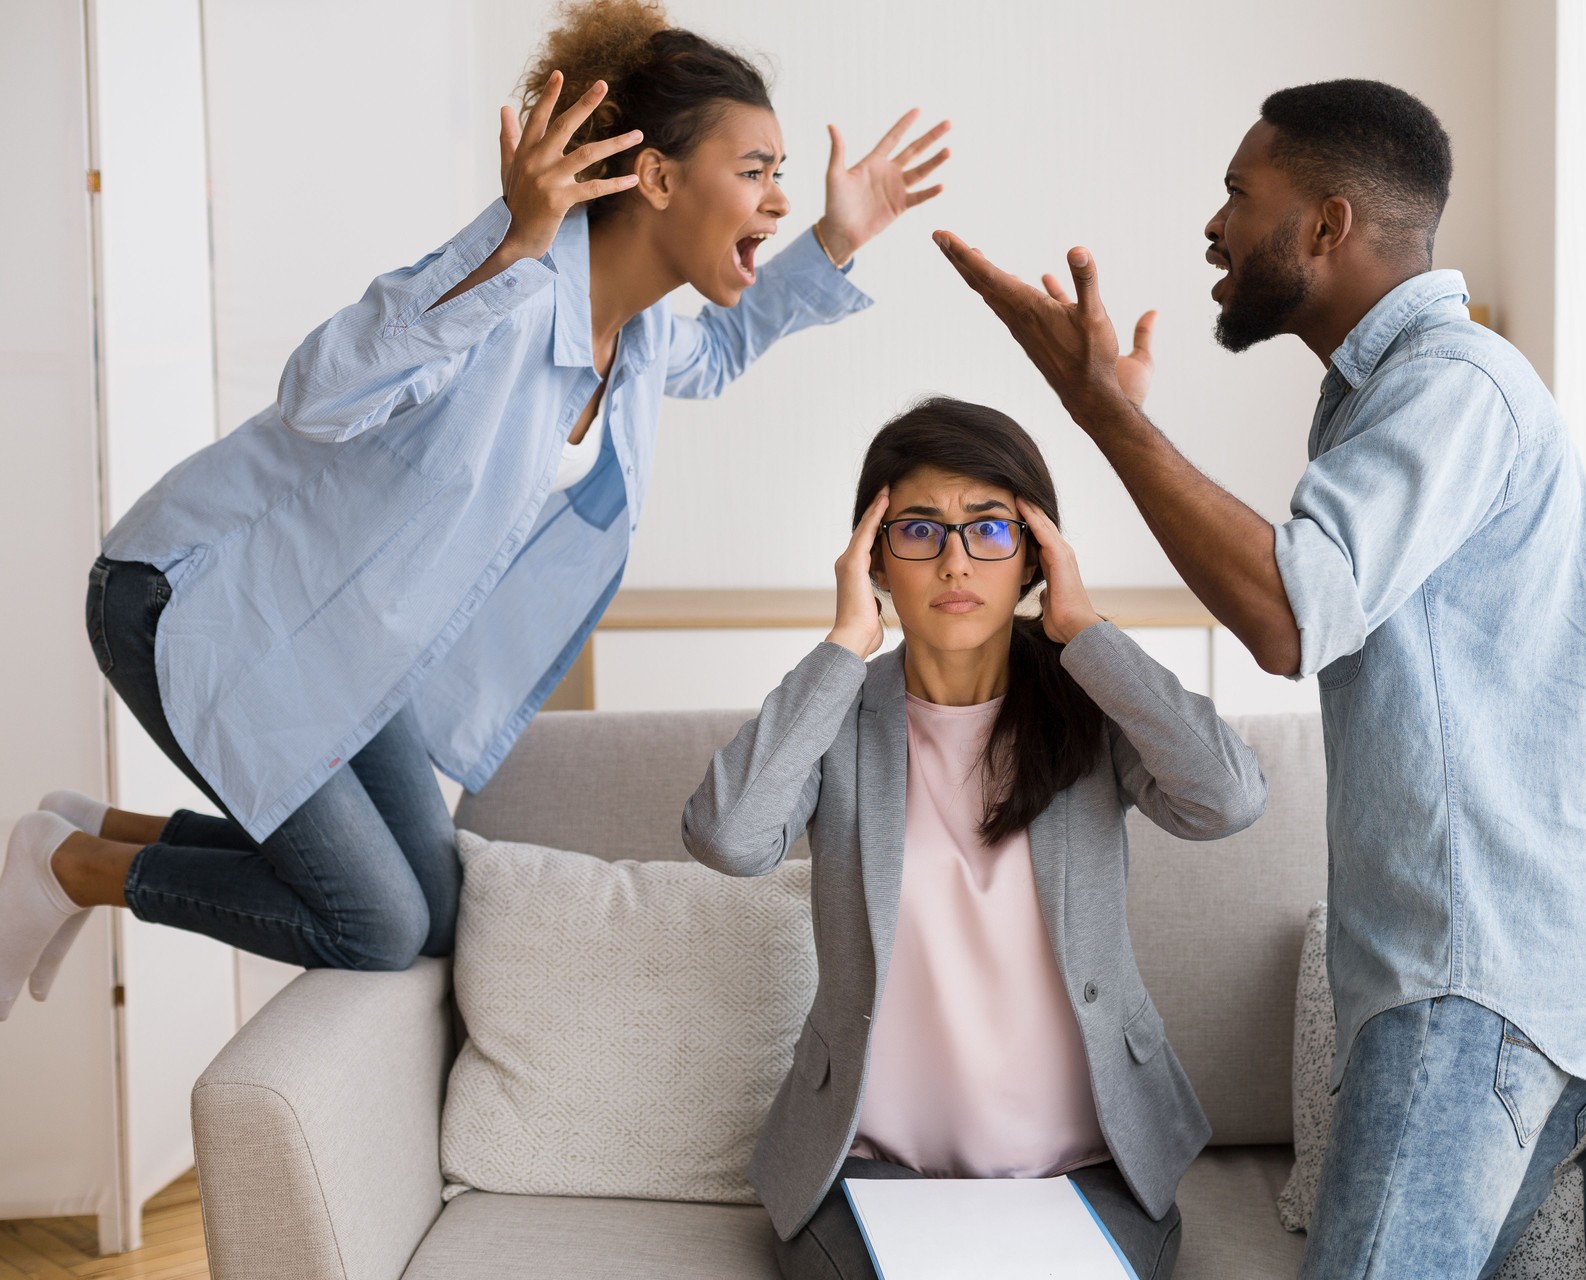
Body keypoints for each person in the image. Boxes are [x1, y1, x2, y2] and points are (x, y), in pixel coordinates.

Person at [0, 0, 951, 1018]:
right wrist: (505, 243)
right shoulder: (518, 285)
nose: (776, 200)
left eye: (782, 177)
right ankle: (69, 867)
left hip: (343, 647)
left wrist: (835, 241)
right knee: (373, 922)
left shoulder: (633, 336)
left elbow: (719, 353)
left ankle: (88, 827)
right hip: (198, 599)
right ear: (662, 178)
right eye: (756, 170)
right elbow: (320, 392)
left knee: (443, 912)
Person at [934, 79, 1586, 1279]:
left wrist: (1102, 414)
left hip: (1476, 989)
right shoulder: (1392, 394)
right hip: (1497, 984)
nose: (1213, 228)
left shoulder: (1453, 385)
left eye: (1237, 194)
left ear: (1325, 225)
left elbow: (1286, 611)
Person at [681, 397, 1268, 1280]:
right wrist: (845, 642)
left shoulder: (1092, 708)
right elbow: (729, 838)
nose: (955, 561)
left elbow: (1227, 799)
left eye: (990, 528)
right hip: (869, 1165)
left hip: (1090, 1163)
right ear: (874, 556)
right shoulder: (838, 717)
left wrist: (1086, 634)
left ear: (1036, 553)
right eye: (919, 530)